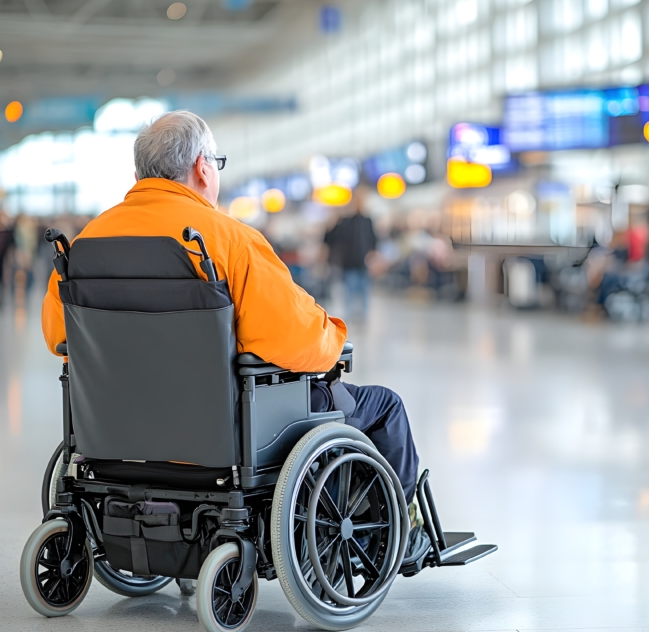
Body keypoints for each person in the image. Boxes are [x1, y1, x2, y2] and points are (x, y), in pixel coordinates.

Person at [40, 111, 430, 567]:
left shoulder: (86, 243)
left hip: (110, 435)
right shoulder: (229, 241)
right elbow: (293, 339)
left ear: (137, 175)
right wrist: (332, 336)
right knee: (384, 406)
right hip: (220, 436)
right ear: (204, 168)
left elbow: (59, 337)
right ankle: (406, 535)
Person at [324, 186, 377, 323]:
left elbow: (374, 240)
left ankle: (364, 317)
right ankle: (349, 317)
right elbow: (331, 239)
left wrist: (373, 257)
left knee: (364, 292)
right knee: (349, 292)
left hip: (363, 263)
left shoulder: (367, 221)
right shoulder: (346, 222)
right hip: (349, 262)